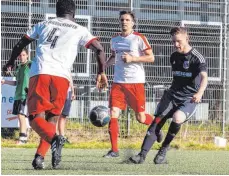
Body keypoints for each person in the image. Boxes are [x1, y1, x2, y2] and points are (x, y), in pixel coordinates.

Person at [3, 0, 108, 169]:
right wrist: (101, 72)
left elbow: (20, 44)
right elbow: (100, 49)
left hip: (41, 73)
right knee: (52, 118)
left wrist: (9, 62)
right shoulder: (80, 30)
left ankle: (54, 140)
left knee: (35, 118)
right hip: (62, 78)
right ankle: (40, 157)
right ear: (74, 13)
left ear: (56, 11)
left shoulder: (43, 24)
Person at [129, 27, 208, 164]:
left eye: (179, 41)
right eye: (173, 42)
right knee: (157, 120)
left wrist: (200, 93)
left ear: (187, 39)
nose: (176, 45)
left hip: (189, 98)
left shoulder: (197, 57)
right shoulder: (174, 56)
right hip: (172, 95)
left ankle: (163, 149)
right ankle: (141, 155)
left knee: (177, 118)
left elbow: (204, 78)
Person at [104, 10, 162, 158]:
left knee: (141, 118)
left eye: (127, 20)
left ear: (133, 22)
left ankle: (157, 126)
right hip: (118, 83)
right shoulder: (114, 39)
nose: (124, 22)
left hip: (135, 83)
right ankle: (114, 150)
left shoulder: (139, 38)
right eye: (122, 19)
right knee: (113, 114)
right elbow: (113, 56)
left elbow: (151, 58)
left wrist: (133, 59)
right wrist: (102, 69)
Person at [1, 48, 31, 144]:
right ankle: (25, 136)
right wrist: (5, 81)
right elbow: (16, 83)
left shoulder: (30, 65)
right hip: (18, 95)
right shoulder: (18, 67)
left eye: (23, 55)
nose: (21, 57)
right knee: (22, 116)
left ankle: (23, 138)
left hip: (25, 95)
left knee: (21, 115)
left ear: (27, 55)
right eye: (20, 55)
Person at [57, 74, 76, 138]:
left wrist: (73, 91)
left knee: (64, 115)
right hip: (58, 91)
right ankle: (54, 136)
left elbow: (70, 77)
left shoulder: (67, 66)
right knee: (55, 115)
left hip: (68, 92)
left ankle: (61, 137)